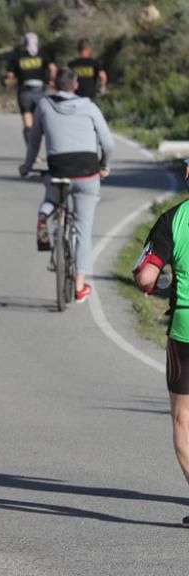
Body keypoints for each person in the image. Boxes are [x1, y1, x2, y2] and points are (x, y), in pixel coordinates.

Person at [19, 67, 113, 302]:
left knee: (52, 198)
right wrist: (105, 164)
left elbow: (34, 140)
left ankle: (44, 215)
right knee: (83, 228)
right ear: (76, 84)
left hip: (58, 169)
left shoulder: (44, 105)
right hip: (87, 171)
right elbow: (108, 142)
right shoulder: (89, 106)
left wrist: (27, 165)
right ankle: (80, 285)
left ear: (54, 84)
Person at [132, 160, 189, 526]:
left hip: (186, 327)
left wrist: (157, 288)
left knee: (184, 419)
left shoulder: (173, 219)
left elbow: (144, 276)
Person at [4, 32, 56, 148]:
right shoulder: (43, 55)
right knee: (41, 121)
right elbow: (52, 68)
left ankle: (31, 151)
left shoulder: (18, 56)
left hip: (24, 92)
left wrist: (9, 84)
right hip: (40, 91)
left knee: (27, 121)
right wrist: (51, 81)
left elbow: (10, 75)